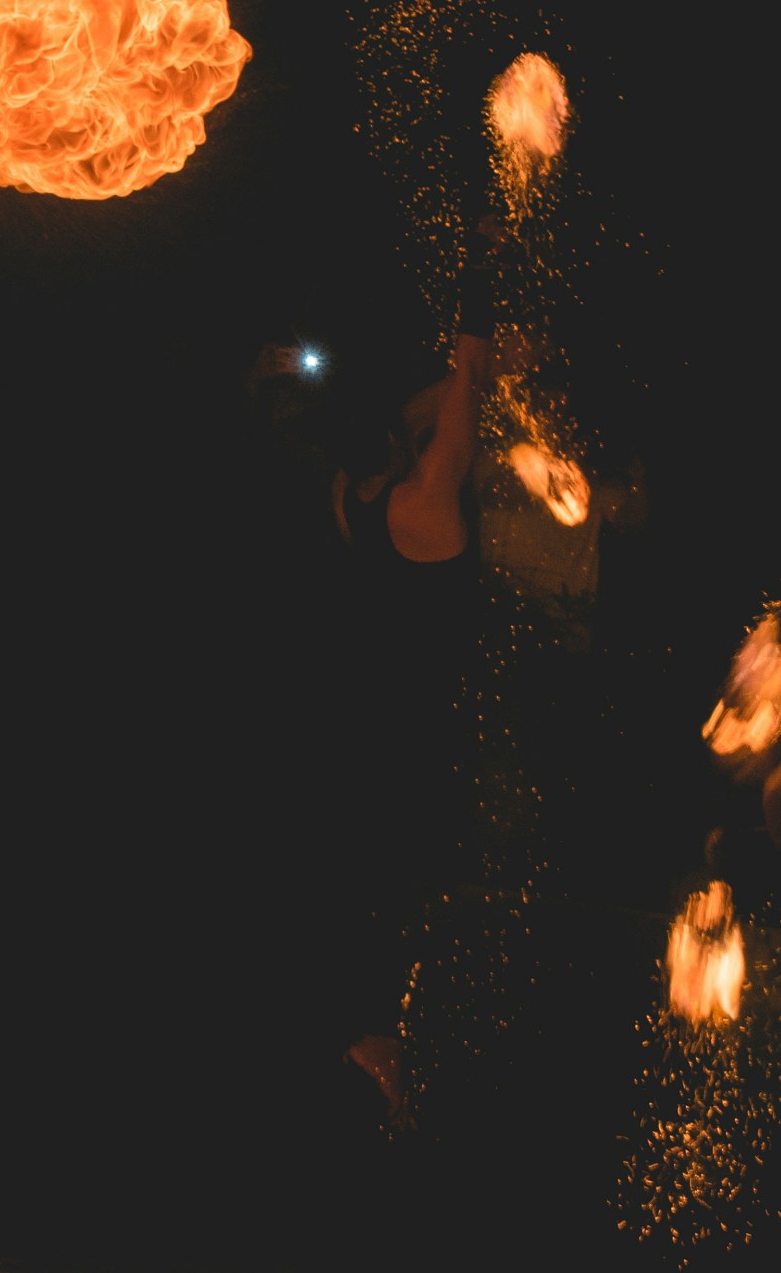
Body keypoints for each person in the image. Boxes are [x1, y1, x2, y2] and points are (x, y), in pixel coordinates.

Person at [317, 227, 503, 1121]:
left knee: (385, 871)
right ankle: (376, 1035)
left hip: (372, 706)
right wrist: (482, 270)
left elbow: (435, 408)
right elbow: (459, 395)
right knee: (407, 873)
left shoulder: (349, 499)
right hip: (417, 717)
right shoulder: (426, 502)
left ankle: (375, 1032)